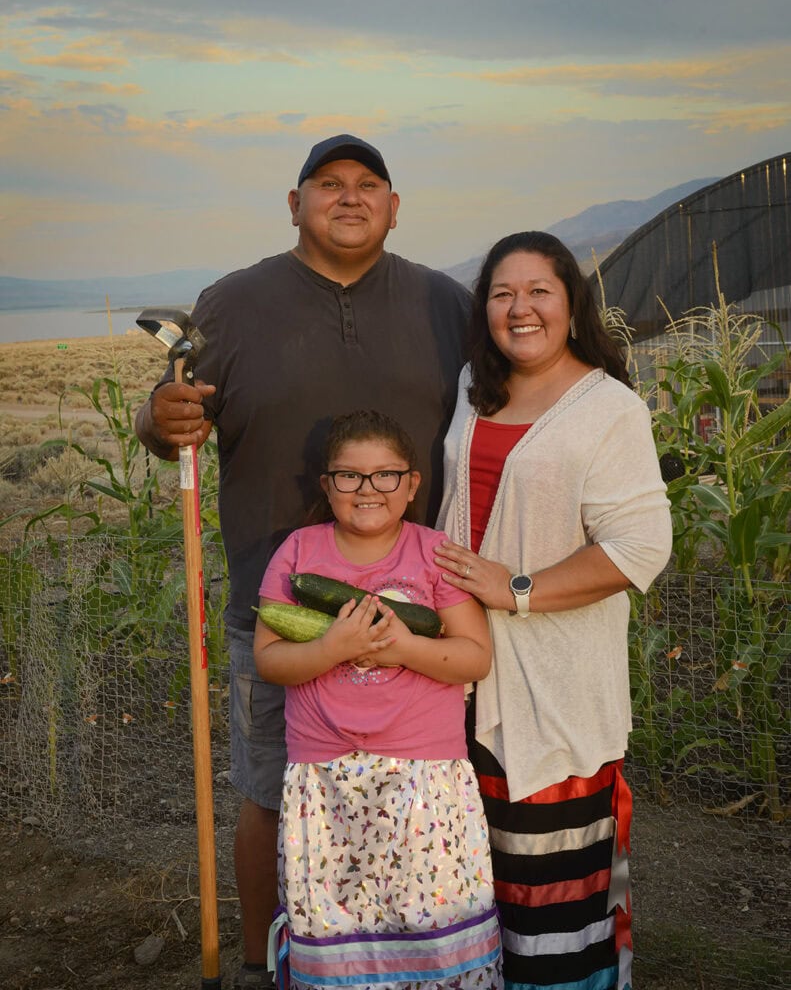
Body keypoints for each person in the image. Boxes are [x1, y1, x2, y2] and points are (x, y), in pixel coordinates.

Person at [134, 134, 471, 989]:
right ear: (295, 204)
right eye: (328, 184)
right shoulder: (237, 303)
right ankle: (261, 962)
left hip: (419, 610)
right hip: (273, 609)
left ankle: (397, 958)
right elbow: (172, 411)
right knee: (272, 795)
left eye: (368, 185)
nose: (348, 197)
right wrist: (157, 419)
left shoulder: (445, 304)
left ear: (394, 208)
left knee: (414, 800)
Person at [433, 231, 673, 990]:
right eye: (502, 293)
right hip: (457, 674)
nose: (520, 307)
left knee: (553, 900)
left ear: (571, 305)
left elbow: (640, 546)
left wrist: (518, 588)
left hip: (553, 689)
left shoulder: (607, 407)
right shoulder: (477, 386)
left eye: (539, 290)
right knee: (478, 885)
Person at [254, 409, 501, 990]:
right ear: (326, 485)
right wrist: (336, 645)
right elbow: (270, 659)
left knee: (428, 914)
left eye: (386, 475)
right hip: (325, 778)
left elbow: (475, 656)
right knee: (343, 923)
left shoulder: (433, 553)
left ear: (413, 484)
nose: (368, 489)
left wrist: (401, 649)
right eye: (349, 476)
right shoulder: (299, 553)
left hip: (424, 776)